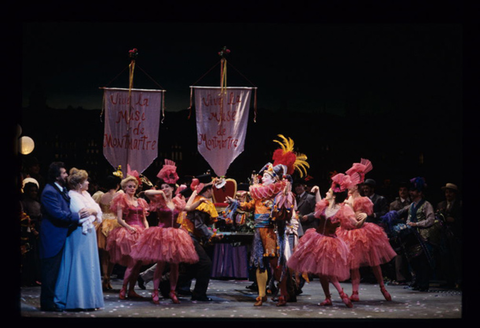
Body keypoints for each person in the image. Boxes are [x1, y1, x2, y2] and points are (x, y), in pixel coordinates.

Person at [226, 135, 309, 307]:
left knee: (275, 264)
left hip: (272, 231)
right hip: (258, 231)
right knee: (259, 263)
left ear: (275, 179)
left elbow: (285, 212)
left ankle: (284, 292)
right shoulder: (258, 193)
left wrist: (283, 196)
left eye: (266, 175)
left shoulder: (280, 194)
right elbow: (249, 206)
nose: (263, 178)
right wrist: (236, 203)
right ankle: (262, 294)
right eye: (263, 175)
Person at [287, 173, 365, 308]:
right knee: (321, 272)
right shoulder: (324, 206)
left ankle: (342, 294)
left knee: (327, 272)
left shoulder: (343, 210)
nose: (326, 193)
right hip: (316, 238)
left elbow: (355, 224)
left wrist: (363, 217)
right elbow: (318, 205)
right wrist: (317, 191)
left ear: (334, 195)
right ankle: (328, 297)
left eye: (328, 191)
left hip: (329, 241)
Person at [130, 160, 199, 304]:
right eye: (163, 187)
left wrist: (198, 195)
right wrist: (161, 190)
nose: (165, 189)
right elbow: (146, 192)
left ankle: (172, 291)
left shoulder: (177, 201)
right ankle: (155, 291)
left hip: (175, 235)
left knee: (175, 266)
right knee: (160, 265)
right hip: (161, 234)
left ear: (173, 188)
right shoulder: (159, 201)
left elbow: (187, 208)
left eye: (167, 187)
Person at [338, 159, 396, 302]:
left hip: (362, 232)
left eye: (349, 186)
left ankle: (383, 287)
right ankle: (355, 292)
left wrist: (356, 212)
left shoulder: (363, 200)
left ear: (356, 187)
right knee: (354, 265)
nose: (347, 188)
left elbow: (361, 218)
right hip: (348, 232)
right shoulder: (347, 200)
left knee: (374, 262)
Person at [39, 162, 92, 311]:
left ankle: (55, 299)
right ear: (56, 176)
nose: (66, 175)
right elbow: (57, 214)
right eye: (63, 173)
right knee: (50, 271)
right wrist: (77, 215)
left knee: (57, 270)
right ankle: (47, 303)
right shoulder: (49, 191)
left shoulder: (61, 190)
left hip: (62, 235)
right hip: (52, 237)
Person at [54, 168, 104, 311]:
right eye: (85, 181)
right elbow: (83, 216)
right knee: (79, 265)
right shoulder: (73, 195)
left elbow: (97, 211)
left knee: (90, 265)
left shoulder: (86, 194)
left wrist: (94, 212)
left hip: (89, 234)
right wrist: (93, 213)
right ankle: (78, 300)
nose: (88, 183)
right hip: (79, 234)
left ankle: (90, 300)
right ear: (79, 184)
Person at [179, 175, 223, 301]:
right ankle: (199, 294)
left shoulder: (198, 199)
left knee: (192, 266)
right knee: (205, 264)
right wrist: (212, 235)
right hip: (189, 236)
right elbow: (199, 225)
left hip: (190, 235)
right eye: (212, 189)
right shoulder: (202, 202)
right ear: (208, 190)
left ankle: (167, 285)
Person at [106, 175, 149, 299]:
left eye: (134, 186)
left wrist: (147, 230)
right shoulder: (122, 199)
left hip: (141, 232)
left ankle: (131, 290)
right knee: (133, 262)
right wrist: (130, 228)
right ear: (124, 187)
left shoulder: (140, 201)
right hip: (130, 232)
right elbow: (119, 219)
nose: (132, 188)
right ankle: (123, 289)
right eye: (129, 186)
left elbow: (144, 219)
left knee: (138, 264)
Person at [404, 177, 436, 291]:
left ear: (420, 192)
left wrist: (417, 224)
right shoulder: (412, 205)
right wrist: (408, 224)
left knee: (423, 261)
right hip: (412, 236)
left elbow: (430, 219)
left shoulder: (427, 204)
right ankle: (417, 281)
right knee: (414, 259)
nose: (411, 193)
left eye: (413, 191)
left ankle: (424, 283)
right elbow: (408, 218)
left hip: (423, 235)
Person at [92, 173, 122, 290]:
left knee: (104, 254)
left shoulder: (100, 196)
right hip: (115, 223)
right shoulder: (119, 196)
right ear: (117, 185)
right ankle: (108, 276)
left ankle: (105, 276)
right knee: (112, 254)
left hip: (102, 223)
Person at [436, 183, 462, 289]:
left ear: (455, 193)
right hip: (444, 235)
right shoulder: (441, 204)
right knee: (445, 258)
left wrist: (454, 220)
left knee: (457, 258)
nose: (448, 194)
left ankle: (459, 280)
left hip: (456, 235)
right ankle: (448, 281)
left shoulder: (460, 204)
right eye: (446, 192)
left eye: (450, 192)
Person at [388, 182, 412, 285]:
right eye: (401, 190)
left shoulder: (412, 202)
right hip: (397, 231)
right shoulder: (394, 204)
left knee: (410, 252)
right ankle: (400, 277)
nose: (402, 192)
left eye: (404, 190)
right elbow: (391, 218)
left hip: (410, 230)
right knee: (398, 254)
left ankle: (410, 276)